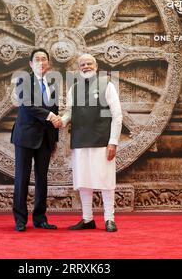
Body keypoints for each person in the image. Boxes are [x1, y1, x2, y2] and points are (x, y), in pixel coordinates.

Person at [61, 54, 122, 232]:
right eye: (82, 64)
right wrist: (62, 121)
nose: (85, 66)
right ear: (79, 68)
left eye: (89, 63)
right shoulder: (74, 88)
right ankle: (87, 219)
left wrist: (113, 142)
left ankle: (109, 219)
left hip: (102, 141)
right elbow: (69, 112)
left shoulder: (107, 85)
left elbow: (117, 115)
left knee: (106, 181)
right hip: (80, 140)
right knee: (83, 181)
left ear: (96, 66)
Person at [10, 48, 61, 232]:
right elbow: (28, 105)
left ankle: (40, 218)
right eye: (37, 59)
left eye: (44, 59)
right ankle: (20, 219)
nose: (41, 62)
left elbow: (55, 111)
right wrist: (50, 116)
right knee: (22, 178)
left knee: (42, 179)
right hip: (25, 136)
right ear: (31, 64)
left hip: (45, 139)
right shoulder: (23, 80)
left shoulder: (52, 83)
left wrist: (54, 139)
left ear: (48, 63)